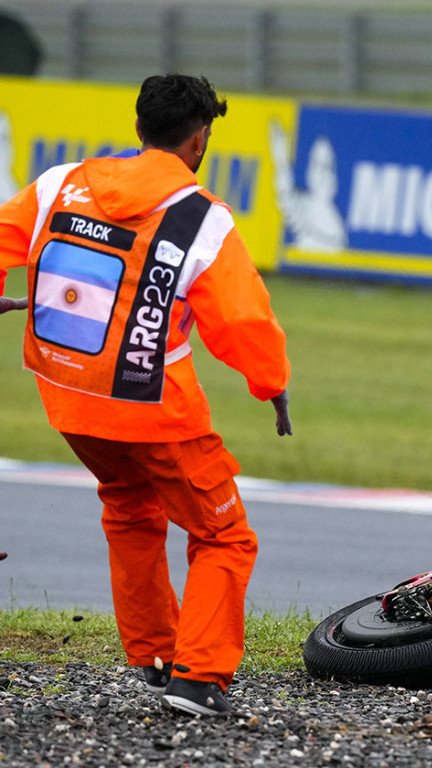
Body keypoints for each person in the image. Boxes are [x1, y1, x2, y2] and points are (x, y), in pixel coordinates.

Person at [0, 74, 291, 717]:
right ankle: (199, 678)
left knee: (130, 507)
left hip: (67, 398)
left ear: (138, 130)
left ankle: (155, 654)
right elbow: (242, 323)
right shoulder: (203, 219)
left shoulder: (60, 182)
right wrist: (272, 385)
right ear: (199, 140)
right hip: (156, 412)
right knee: (225, 538)